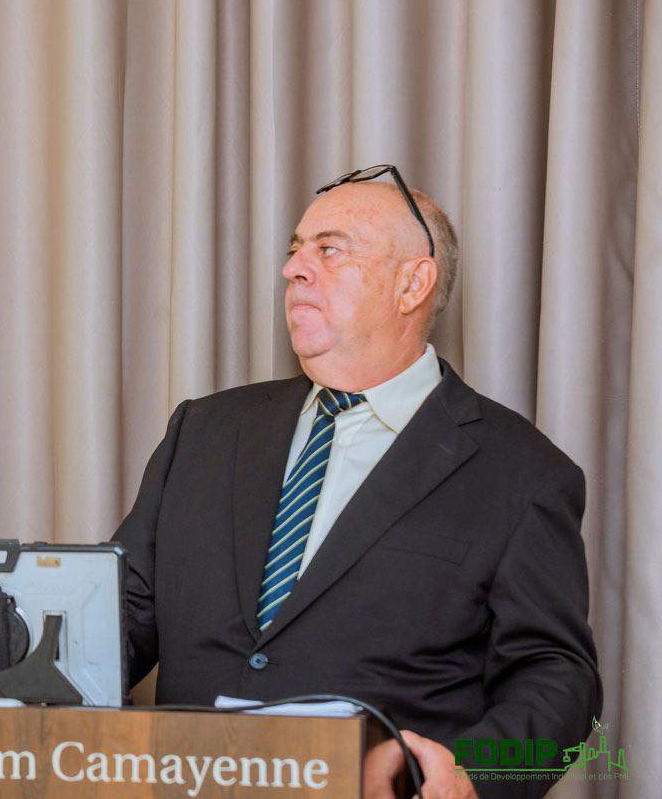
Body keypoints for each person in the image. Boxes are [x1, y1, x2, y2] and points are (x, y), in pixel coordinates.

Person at [112, 166, 600, 798]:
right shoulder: (204, 430)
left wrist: (476, 775)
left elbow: (556, 675)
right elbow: (125, 611)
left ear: (412, 284)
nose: (293, 269)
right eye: (295, 249)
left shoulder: (522, 472)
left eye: (329, 250)